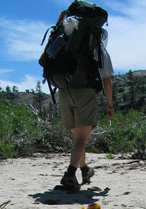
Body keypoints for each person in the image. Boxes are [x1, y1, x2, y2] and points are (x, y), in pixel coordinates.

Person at [59, 28, 114, 191]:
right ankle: (70, 174)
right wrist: (110, 105)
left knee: (77, 138)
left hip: (64, 91)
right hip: (85, 92)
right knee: (82, 138)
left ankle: (84, 170)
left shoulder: (67, 45)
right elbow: (107, 82)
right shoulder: (99, 50)